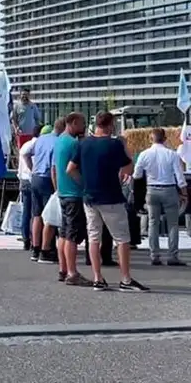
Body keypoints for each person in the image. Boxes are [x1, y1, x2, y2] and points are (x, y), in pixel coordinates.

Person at [67, 111, 148, 292]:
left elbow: (70, 169)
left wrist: (84, 183)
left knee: (93, 237)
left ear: (96, 123)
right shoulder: (114, 145)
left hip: (90, 197)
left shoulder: (83, 144)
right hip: (111, 196)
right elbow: (129, 168)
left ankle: (98, 278)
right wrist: (124, 145)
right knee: (122, 239)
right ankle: (125, 279)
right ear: (111, 124)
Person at [134, 128, 187, 266]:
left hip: (152, 190)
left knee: (153, 223)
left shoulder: (144, 154)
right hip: (169, 189)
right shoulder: (172, 154)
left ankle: (154, 255)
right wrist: (184, 192)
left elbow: (137, 175)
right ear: (164, 138)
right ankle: (173, 255)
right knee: (173, 224)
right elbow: (180, 177)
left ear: (151, 139)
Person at [52, 113, 92, 286]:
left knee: (64, 232)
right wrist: (84, 185)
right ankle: (72, 272)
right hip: (74, 193)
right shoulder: (74, 144)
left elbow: (55, 168)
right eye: (82, 124)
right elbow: (73, 169)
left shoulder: (60, 140)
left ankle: (63, 269)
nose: (83, 127)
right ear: (74, 123)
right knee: (72, 236)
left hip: (63, 192)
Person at [24, 119, 65, 263]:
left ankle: (35, 248)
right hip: (48, 178)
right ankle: (46, 249)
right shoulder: (58, 141)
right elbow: (54, 168)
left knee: (37, 215)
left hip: (35, 177)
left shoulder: (41, 139)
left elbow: (27, 154)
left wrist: (32, 168)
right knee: (51, 216)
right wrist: (57, 189)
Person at [17, 125, 40, 250]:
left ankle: (25, 238)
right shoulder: (37, 146)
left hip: (23, 179)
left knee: (26, 211)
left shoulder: (26, 145)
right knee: (35, 212)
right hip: (32, 179)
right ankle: (34, 239)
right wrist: (33, 170)